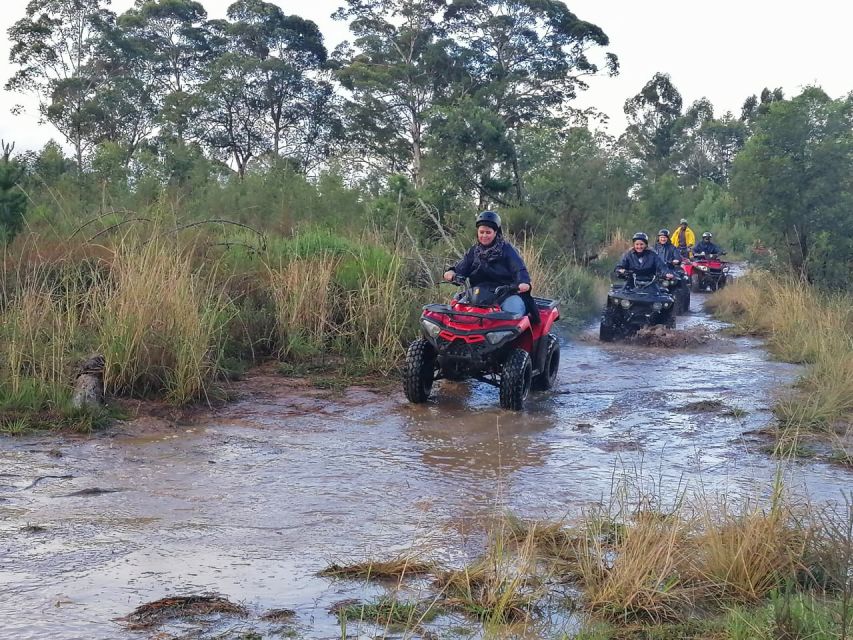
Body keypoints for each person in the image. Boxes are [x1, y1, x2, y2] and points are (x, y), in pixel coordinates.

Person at [443, 210, 531, 316]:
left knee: (513, 314)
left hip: (505, 294)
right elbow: (461, 267)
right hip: (477, 294)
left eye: (488, 232)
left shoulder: (507, 249)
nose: (484, 235)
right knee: (455, 313)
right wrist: (451, 273)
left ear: (495, 233)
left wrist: (523, 282)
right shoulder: (474, 251)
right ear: (478, 232)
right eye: (481, 232)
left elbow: (519, 268)